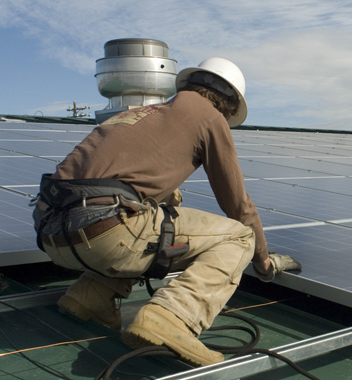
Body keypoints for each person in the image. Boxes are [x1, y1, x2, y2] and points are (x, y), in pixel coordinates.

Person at [32, 57, 302, 366]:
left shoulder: (138, 114)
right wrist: (262, 260)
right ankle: (173, 317)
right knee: (239, 237)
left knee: (156, 217)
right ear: (228, 103)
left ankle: (89, 297)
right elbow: (239, 207)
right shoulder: (208, 117)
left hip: (52, 234)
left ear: (189, 84)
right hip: (104, 233)